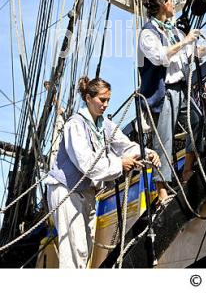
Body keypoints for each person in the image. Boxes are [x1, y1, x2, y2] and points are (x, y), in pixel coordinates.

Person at [46, 76, 160, 268]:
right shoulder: (76, 124)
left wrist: (146, 153)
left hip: (88, 194)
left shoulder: (104, 126)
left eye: (108, 100)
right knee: (75, 251)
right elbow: (87, 164)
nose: (106, 105)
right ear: (88, 98)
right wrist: (119, 165)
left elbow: (125, 146)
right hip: (67, 191)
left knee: (85, 250)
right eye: (102, 100)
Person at [138, 0, 206, 204]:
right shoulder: (147, 33)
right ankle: (162, 193)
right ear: (162, 5)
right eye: (171, 1)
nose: (174, 4)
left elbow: (190, 53)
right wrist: (185, 41)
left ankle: (187, 170)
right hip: (163, 92)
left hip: (181, 89)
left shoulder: (174, 31)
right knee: (164, 141)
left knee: (198, 122)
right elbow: (160, 57)